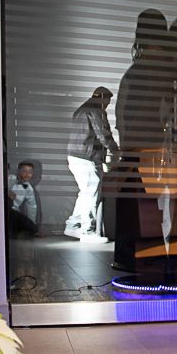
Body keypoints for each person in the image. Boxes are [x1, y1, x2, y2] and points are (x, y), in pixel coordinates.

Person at [65, 87, 119, 242]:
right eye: (108, 101)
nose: (107, 105)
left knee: (86, 192)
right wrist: (116, 150)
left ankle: (73, 225)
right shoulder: (95, 109)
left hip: (75, 156)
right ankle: (87, 231)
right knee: (91, 191)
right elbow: (103, 134)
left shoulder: (81, 109)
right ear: (103, 98)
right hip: (87, 157)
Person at [7, 160, 41, 236]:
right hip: (4, 209)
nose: (27, 174)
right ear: (19, 172)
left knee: (22, 220)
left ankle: (33, 230)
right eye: (24, 171)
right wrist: (7, 191)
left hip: (13, 212)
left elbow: (32, 207)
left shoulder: (29, 189)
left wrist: (32, 222)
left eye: (30, 172)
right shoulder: (11, 178)